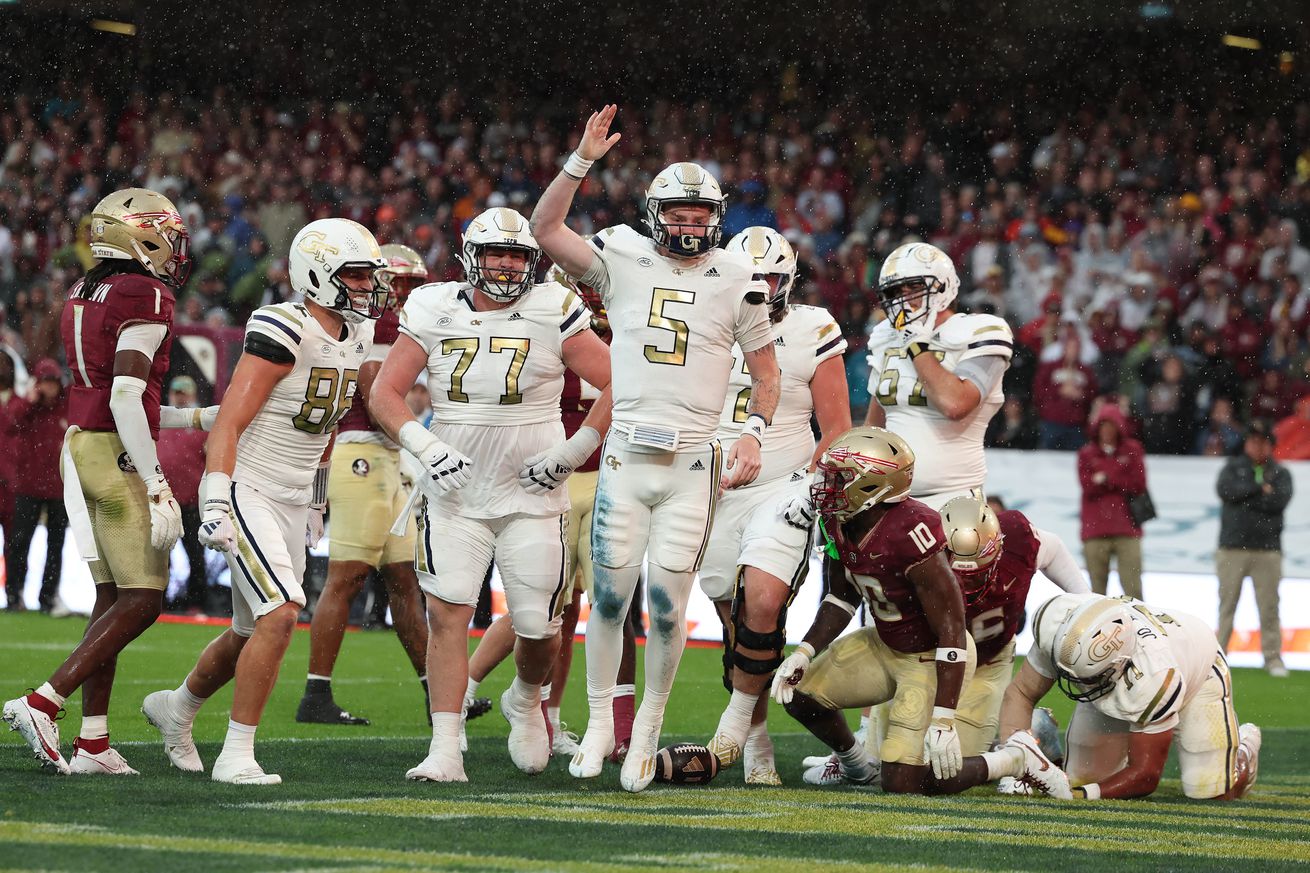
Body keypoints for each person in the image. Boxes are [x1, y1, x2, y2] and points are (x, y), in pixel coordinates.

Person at [530, 105, 781, 793]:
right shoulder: (621, 255)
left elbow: (766, 374)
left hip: (693, 463)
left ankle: (646, 730)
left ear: (718, 217)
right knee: (608, 600)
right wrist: (581, 158)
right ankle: (600, 724)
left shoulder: (739, 277)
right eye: (680, 212)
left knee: (668, 607)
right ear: (654, 212)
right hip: (625, 457)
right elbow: (543, 230)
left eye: (702, 214)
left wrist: (755, 432)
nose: (691, 224)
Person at [369, 206, 614, 783]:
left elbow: (620, 381)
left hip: (534, 491)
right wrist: (423, 448)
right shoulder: (432, 306)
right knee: (448, 613)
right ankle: (445, 747)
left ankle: (526, 701)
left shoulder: (553, 307)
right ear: (469, 256)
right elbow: (385, 392)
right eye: (495, 253)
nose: (505, 265)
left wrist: (573, 451)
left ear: (533, 262)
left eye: (516, 254)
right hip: (455, 492)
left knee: (537, 627)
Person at [142, 217, 384, 784]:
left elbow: (323, 425)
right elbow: (229, 419)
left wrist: (318, 498)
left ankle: (176, 707)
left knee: (251, 629)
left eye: (368, 275)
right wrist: (218, 500)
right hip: (248, 486)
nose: (366, 286)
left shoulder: (358, 335)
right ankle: (237, 754)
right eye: (354, 275)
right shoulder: (285, 327)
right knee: (280, 613)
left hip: (295, 494)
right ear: (318, 275)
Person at [3, 188, 197, 775]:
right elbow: (126, 395)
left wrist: (196, 417)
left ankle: (93, 742)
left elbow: (114, 395)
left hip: (81, 446)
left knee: (111, 596)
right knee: (143, 600)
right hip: (114, 453)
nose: (175, 248)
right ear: (139, 236)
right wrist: (158, 482)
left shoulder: (87, 288)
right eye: (166, 234)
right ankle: (44, 700)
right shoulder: (146, 291)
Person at [771, 427, 1068, 796]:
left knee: (905, 783)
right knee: (798, 693)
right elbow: (840, 597)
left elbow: (952, 629)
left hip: (930, 658)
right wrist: (805, 651)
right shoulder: (839, 518)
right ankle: (856, 765)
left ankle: (1015, 759)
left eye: (840, 477)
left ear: (872, 485)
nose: (827, 484)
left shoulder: (913, 531)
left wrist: (943, 719)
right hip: (884, 644)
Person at [699, 226, 851, 785]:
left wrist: (809, 484)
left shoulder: (813, 327)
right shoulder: (704, 319)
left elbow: (836, 427)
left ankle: (735, 728)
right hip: (711, 484)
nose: (763, 288)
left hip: (785, 479)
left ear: (790, 282)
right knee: (733, 622)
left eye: (773, 278)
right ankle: (757, 741)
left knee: (762, 603)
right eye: (753, 278)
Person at [296, 242, 431, 725]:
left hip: (390, 456)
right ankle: (315, 695)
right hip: (360, 453)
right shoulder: (368, 326)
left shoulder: (403, 327)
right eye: (401, 283)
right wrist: (427, 442)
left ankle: (436, 694)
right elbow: (377, 400)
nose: (407, 293)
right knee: (348, 575)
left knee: (403, 581)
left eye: (414, 284)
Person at [1000, 593, 1262, 800]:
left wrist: (1081, 796)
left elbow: (1145, 775)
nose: (1075, 685)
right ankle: (1042, 739)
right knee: (1082, 778)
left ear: (1117, 666)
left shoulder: (1154, 677)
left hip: (1199, 667)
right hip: (1124, 677)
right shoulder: (1058, 624)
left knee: (1211, 790)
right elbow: (1022, 692)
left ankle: (1243, 752)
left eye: (1086, 679)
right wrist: (1015, 770)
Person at [864, 241, 1014, 510]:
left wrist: (915, 344)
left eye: (914, 287)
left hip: (953, 501)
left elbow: (954, 404)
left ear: (943, 286)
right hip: (890, 503)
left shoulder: (981, 330)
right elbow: (875, 427)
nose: (904, 298)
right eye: (896, 291)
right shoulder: (886, 336)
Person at [1215, 420, 1294, 677]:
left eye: (1262, 441)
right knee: (1227, 606)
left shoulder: (1281, 473)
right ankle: (1218, 656)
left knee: (1269, 606)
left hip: (1267, 549)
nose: (1257, 446)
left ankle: (1273, 658)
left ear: (1270, 445)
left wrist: (1247, 497)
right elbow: (1226, 491)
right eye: (1252, 441)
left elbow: (1277, 502)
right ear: (1246, 443)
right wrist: (1258, 489)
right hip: (1233, 547)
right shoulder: (1233, 468)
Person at [5, 358, 71, 614]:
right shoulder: (28, 408)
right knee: (19, 542)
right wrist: (29, 400)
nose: (49, 387)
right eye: (45, 382)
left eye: (53, 382)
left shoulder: (66, 408)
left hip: (58, 487)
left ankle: (47, 598)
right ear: (37, 383)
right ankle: (14, 596)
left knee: (55, 546)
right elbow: (9, 424)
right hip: (28, 487)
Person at [1076, 403, 1147, 599]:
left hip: (1126, 528)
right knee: (1096, 593)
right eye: (1103, 425)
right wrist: (1118, 477)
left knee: (1133, 589)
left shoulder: (1132, 449)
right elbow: (1087, 486)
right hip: (1095, 530)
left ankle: (1139, 627)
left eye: (1111, 425)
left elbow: (1139, 484)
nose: (1107, 430)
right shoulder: (1087, 453)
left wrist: (1106, 478)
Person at [158, 375, 210, 613]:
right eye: (177, 393)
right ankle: (158, 603)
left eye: (184, 393)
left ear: (192, 395)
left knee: (195, 556)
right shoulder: (159, 420)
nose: (180, 398)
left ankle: (196, 602)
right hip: (163, 503)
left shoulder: (201, 424)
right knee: (159, 558)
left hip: (189, 503)